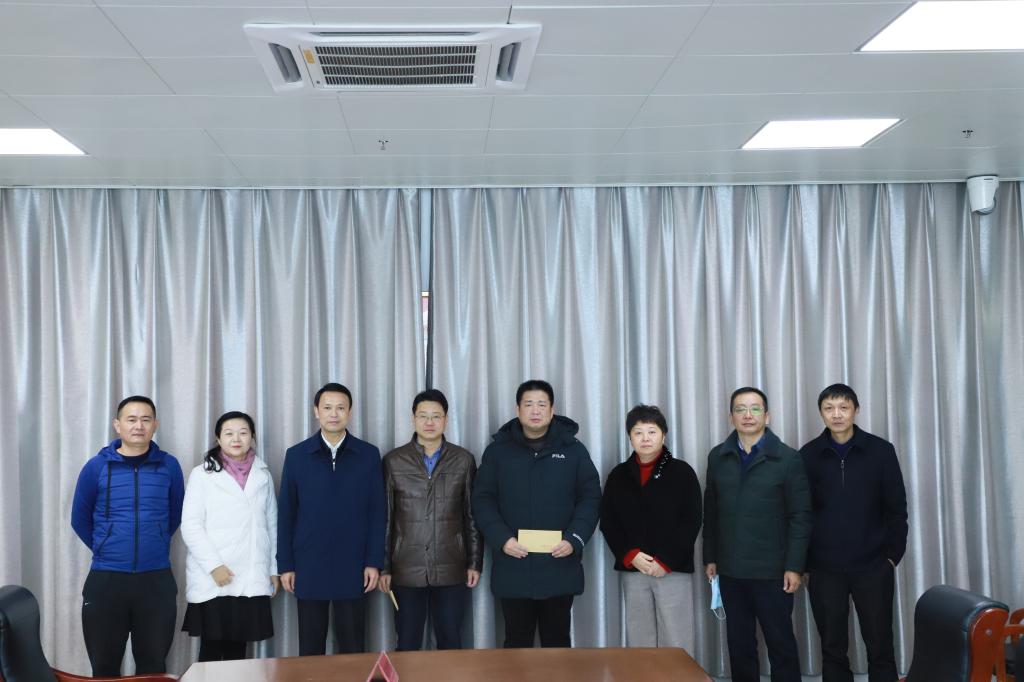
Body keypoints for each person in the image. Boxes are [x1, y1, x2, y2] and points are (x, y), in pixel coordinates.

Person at [471, 379, 601, 648]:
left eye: (542, 404)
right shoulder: (498, 452)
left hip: (559, 564)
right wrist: (502, 539)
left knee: (557, 643)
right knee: (516, 643)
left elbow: (590, 498)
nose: (535, 410)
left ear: (552, 410)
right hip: (513, 565)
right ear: (517, 410)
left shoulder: (574, 450)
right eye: (528, 404)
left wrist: (574, 539)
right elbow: (482, 500)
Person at [800, 384, 908, 682]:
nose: (837, 414)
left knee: (880, 644)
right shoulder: (808, 455)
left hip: (873, 565)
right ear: (821, 413)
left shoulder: (881, 451)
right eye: (829, 408)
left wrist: (891, 557)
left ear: (856, 411)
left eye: (844, 408)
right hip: (824, 568)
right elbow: (800, 513)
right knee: (832, 647)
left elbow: (897, 508)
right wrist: (805, 564)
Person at [71, 395, 185, 677]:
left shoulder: (169, 466)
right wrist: (106, 546)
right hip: (107, 580)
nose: (139, 426)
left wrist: (156, 538)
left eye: (146, 419)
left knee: (153, 667)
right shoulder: (96, 467)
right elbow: (79, 518)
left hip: (156, 580)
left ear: (155, 425)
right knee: (104, 667)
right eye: (131, 419)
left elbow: (176, 514)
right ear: (117, 424)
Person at [703, 387, 811, 682]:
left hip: (773, 570)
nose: (747, 415)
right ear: (731, 417)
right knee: (739, 645)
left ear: (767, 415)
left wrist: (794, 566)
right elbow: (711, 512)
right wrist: (710, 557)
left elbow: (800, 517)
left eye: (754, 408)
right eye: (740, 409)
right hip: (731, 568)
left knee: (780, 643)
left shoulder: (787, 458)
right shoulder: (718, 457)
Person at [277, 382, 385, 655]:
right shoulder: (297, 455)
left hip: (354, 564)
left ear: (350, 412)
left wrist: (374, 561)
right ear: (316, 411)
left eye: (340, 408)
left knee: (352, 646)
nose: (333, 414)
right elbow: (287, 513)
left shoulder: (368, 454)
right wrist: (286, 565)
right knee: (310, 648)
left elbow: (377, 513)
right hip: (309, 563)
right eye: (327, 407)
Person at [379, 389, 483, 650]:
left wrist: (474, 562)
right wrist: (385, 567)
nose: (429, 422)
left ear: (445, 419)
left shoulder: (463, 460)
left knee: (450, 640)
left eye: (436, 416)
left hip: (451, 565)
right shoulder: (394, 461)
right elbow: (386, 518)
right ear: (413, 418)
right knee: (407, 641)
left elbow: (471, 515)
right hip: (405, 567)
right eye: (423, 416)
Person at [599, 404, 702, 650]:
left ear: (663, 435)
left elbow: (691, 520)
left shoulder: (682, 472)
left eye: (652, 431)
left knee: (676, 639)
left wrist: (665, 561)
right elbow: (609, 521)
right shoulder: (619, 475)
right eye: (638, 432)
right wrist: (630, 555)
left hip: (672, 569)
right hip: (634, 568)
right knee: (639, 639)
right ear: (630, 437)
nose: (645, 438)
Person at [180, 411, 279, 662]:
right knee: (211, 652)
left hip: (251, 574)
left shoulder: (263, 475)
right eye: (229, 433)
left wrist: (273, 569)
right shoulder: (201, 475)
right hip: (215, 577)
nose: (236, 439)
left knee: (238, 652)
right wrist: (214, 566)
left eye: (243, 433)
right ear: (218, 438)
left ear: (252, 436)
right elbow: (190, 525)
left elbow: (271, 525)